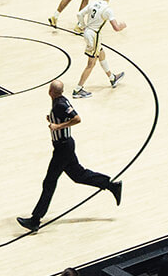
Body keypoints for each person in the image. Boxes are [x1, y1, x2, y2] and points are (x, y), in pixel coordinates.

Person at [18, 81, 121, 232]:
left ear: (50, 91)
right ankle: (111, 185)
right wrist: (53, 120)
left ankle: (35, 220)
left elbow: (77, 119)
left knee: (49, 182)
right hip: (65, 146)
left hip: (63, 148)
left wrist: (57, 126)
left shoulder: (59, 104)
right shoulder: (61, 101)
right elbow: (66, 117)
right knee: (78, 175)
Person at [72, 0, 127, 97]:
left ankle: (112, 78)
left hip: (88, 33)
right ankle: (78, 89)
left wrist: (82, 25)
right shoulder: (108, 10)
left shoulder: (93, 3)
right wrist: (122, 26)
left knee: (101, 54)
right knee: (91, 64)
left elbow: (79, 14)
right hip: (94, 36)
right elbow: (116, 28)